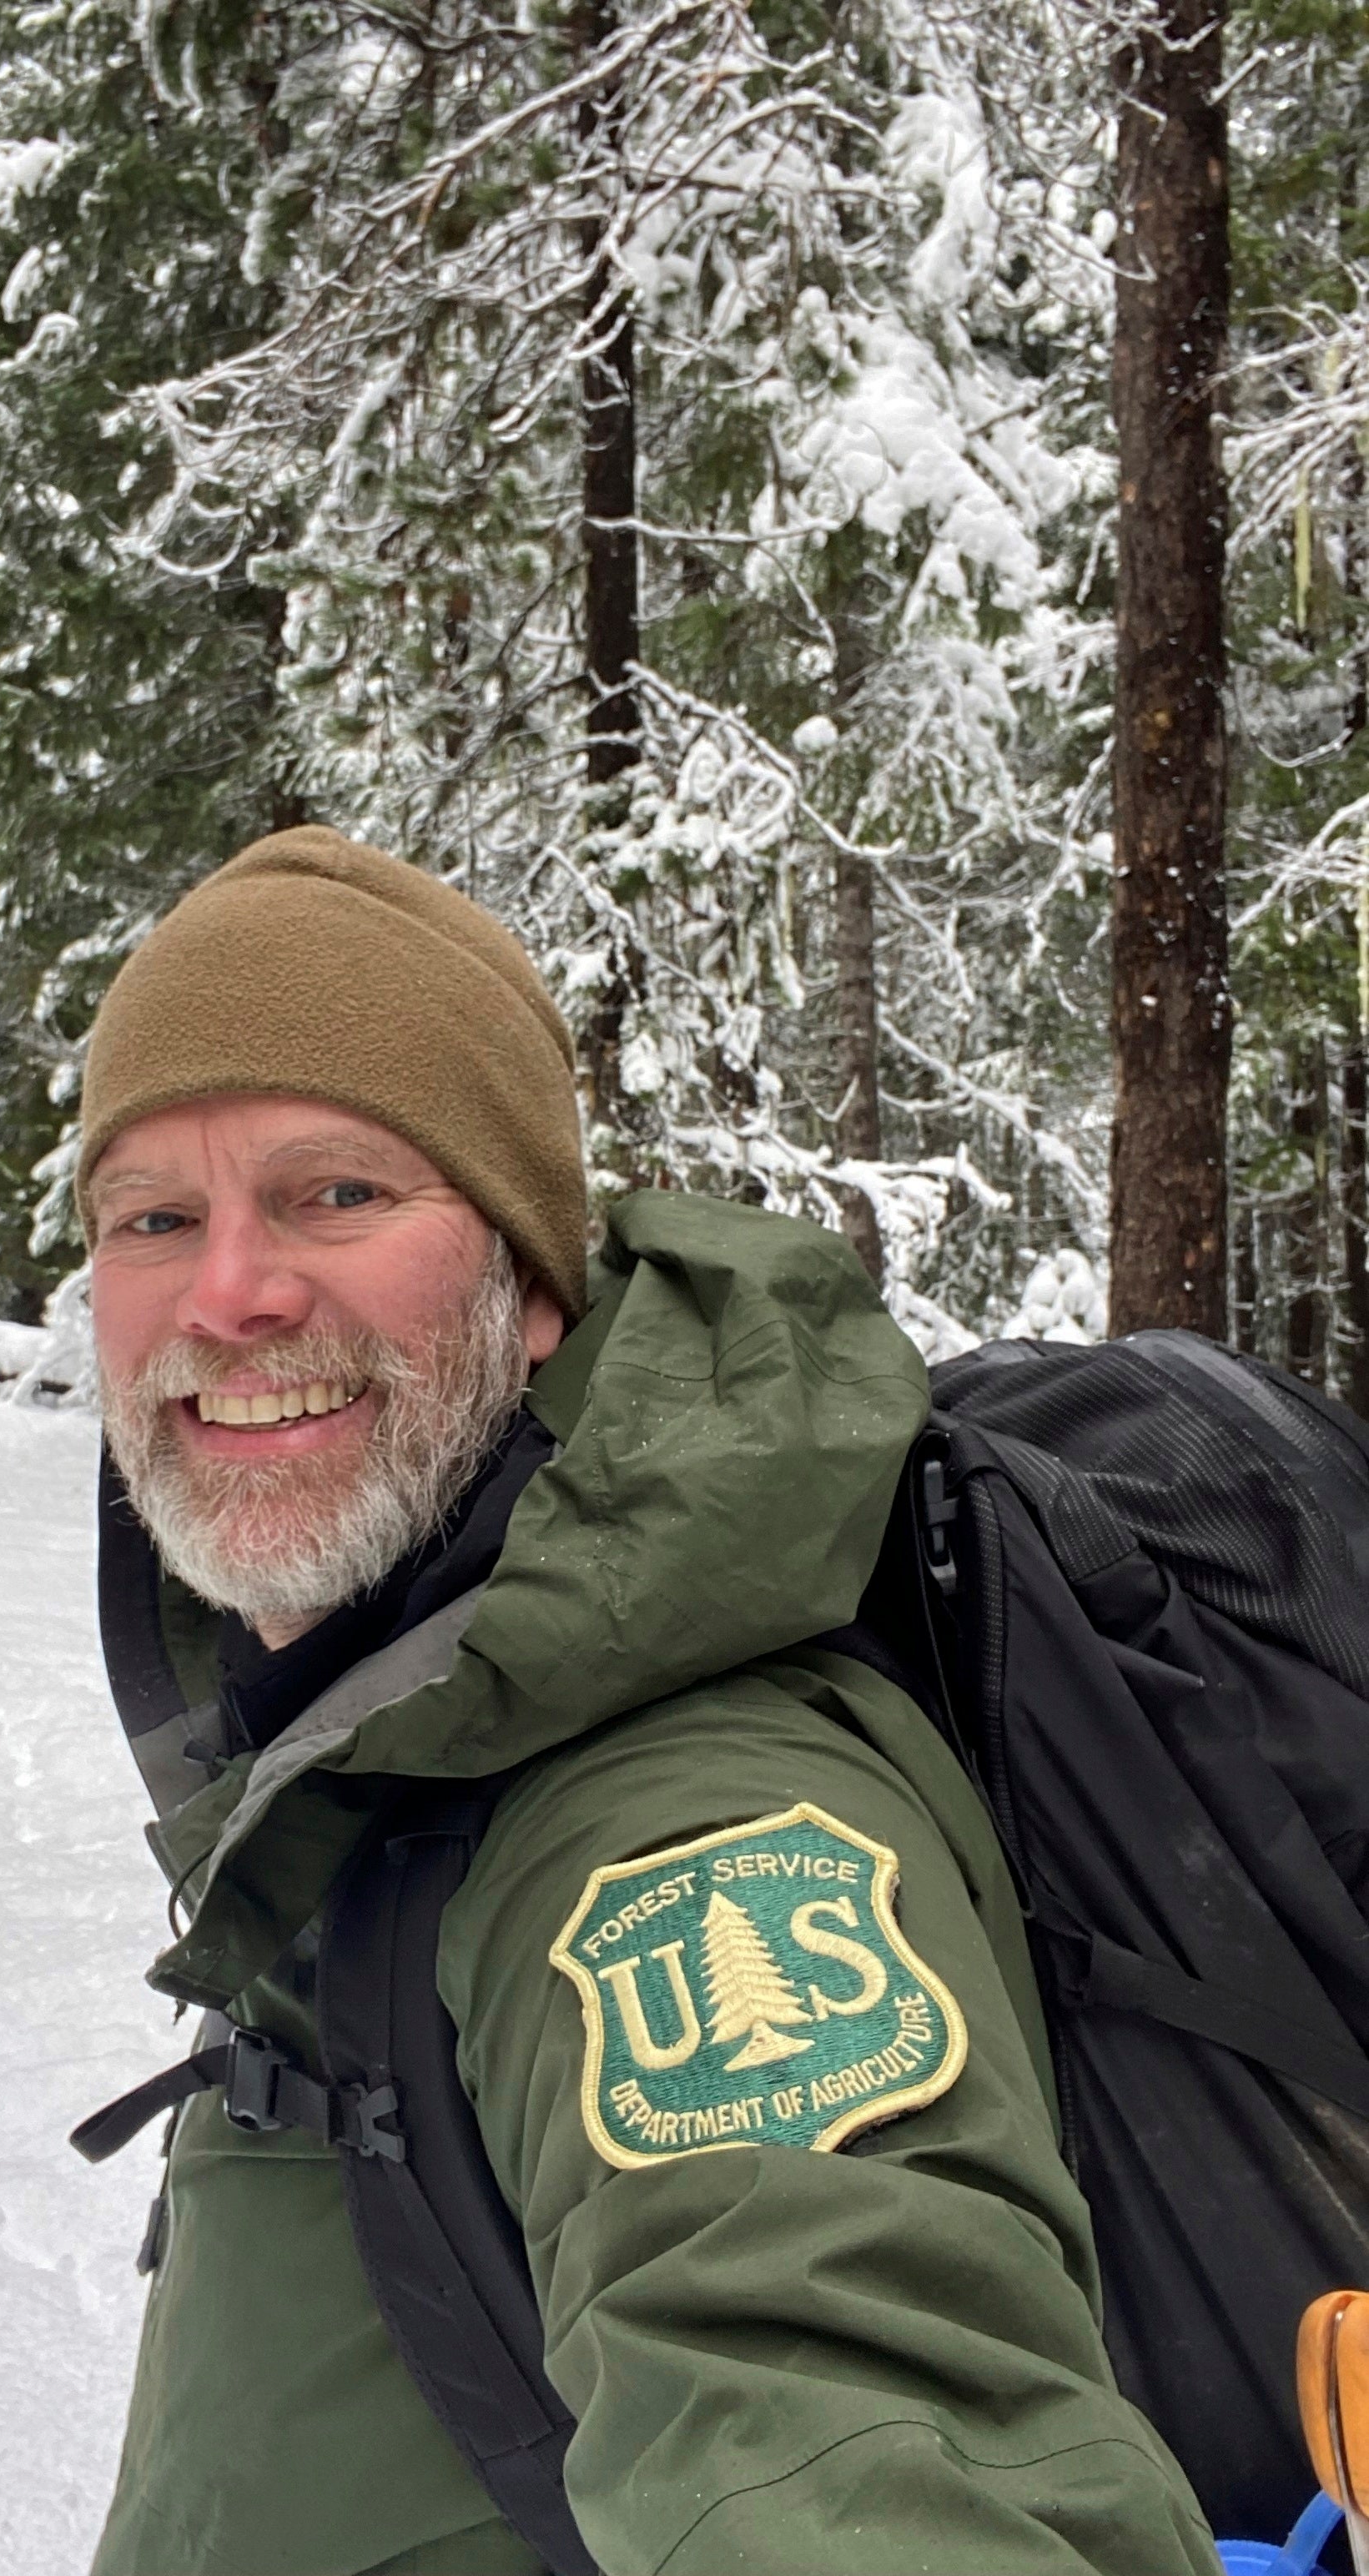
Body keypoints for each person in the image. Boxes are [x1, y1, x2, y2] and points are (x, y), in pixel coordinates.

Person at [77, 825, 1219, 2576]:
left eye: (338, 1192)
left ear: (532, 1287)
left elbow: (834, 2414)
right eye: (157, 1215)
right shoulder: (400, 1698)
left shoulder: (685, 1819)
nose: (231, 1290)